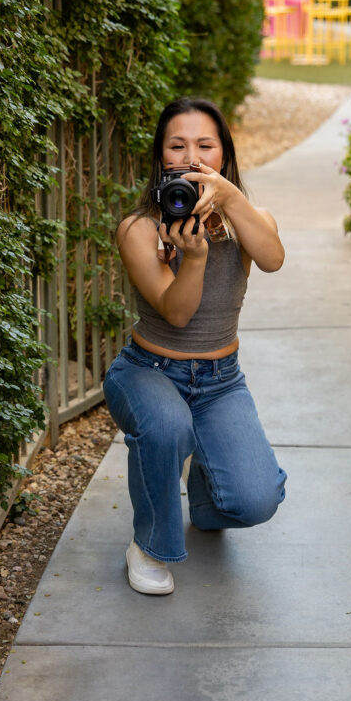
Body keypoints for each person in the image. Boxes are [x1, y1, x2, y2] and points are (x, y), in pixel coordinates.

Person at [103, 97, 287, 595]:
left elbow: (272, 258)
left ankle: (203, 496)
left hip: (220, 382)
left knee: (255, 501)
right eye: (176, 145)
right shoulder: (139, 228)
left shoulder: (248, 217)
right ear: (160, 156)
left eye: (205, 145)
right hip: (148, 372)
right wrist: (195, 257)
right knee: (166, 426)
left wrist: (228, 199)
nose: (190, 157)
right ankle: (149, 545)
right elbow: (177, 313)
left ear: (223, 155)